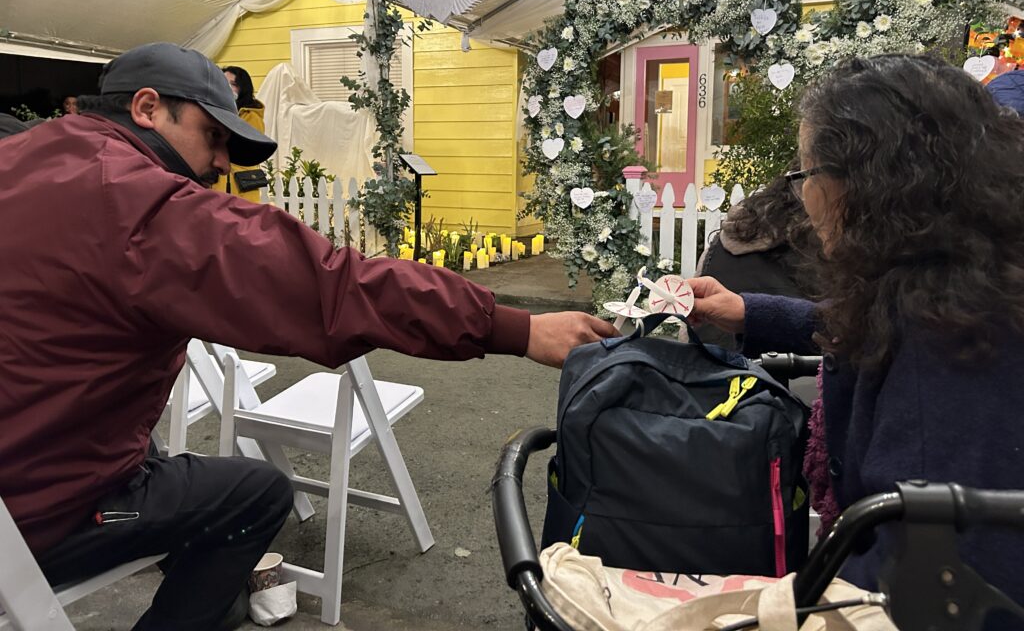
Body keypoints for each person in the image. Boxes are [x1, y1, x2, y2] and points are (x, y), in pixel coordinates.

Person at [0, 42, 615, 630]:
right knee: (257, 493)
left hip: (36, 448)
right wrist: (518, 328)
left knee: (158, 458)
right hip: (41, 509)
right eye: (214, 138)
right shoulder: (139, 204)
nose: (221, 165)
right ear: (147, 108)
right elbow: (330, 287)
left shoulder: (26, 155)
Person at [688, 54, 1024, 615]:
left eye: (803, 175)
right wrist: (747, 309)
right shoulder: (969, 281)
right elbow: (861, 324)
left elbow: (923, 581)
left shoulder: (944, 355)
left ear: (862, 183)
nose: (800, 195)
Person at [692, 165, 815, 350]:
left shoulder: (720, 244)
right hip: (790, 374)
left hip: (708, 365)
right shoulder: (811, 248)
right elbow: (833, 327)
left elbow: (689, 331)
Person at [217, 65, 266, 202]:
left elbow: (246, 147)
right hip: (217, 183)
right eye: (223, 83)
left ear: (242, 88)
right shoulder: (213, 110)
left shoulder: (251, 115)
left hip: (241, 184)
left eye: (233, 84)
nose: (227, 88)